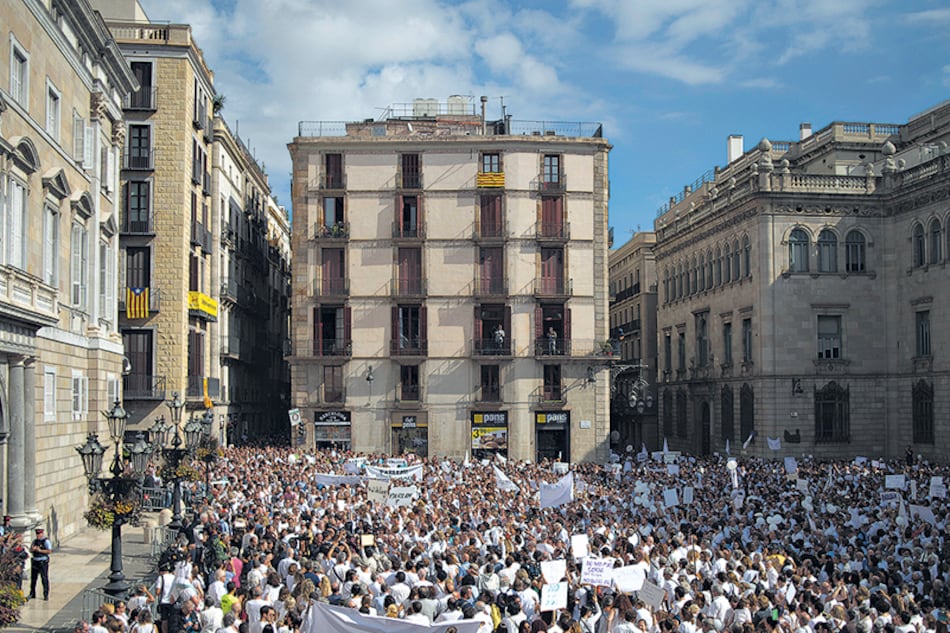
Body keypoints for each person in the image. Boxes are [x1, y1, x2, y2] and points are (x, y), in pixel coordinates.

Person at [29, 527, 51, 600]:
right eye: (37, 534)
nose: (38, 535)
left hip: (43, 562)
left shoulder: (46, 541)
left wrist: (40, 550)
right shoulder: (35, 541)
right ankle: (32, 593)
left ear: (42, 533)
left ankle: (46, 594)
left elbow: (49, 551)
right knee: (33, 579)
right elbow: (30, 549)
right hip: (35, 561)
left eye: (39, 533)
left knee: (44, 578)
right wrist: (33, 549)